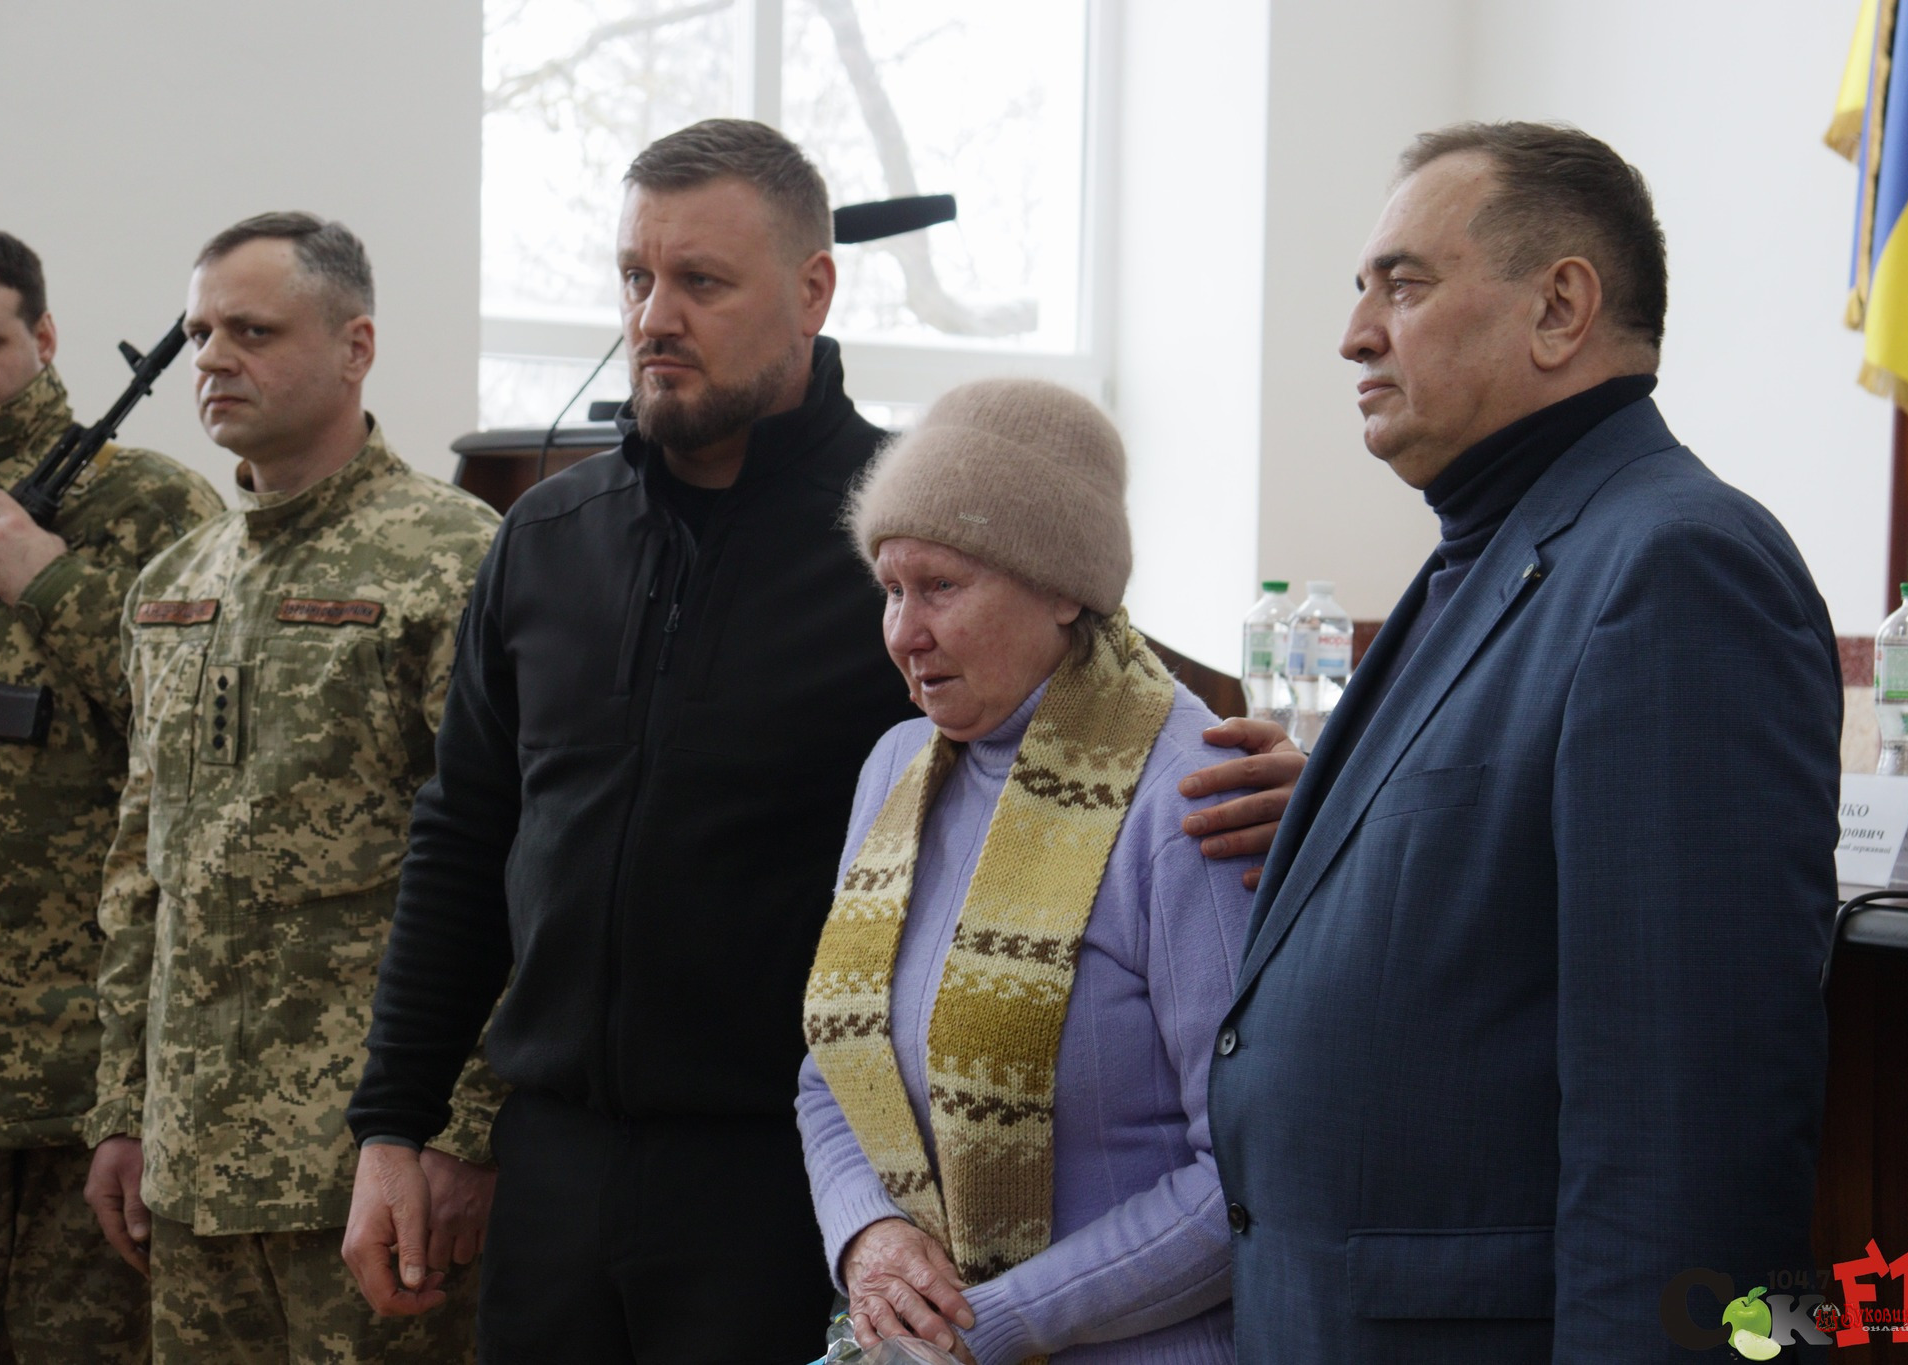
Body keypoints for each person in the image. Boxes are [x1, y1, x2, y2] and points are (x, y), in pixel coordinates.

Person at [343, 118, 1298, 1363]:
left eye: (701, 280)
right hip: (561, 1162)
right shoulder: (546, 536)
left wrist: (1316, 790)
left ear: (811, 291)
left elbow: (1107, 685)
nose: (653, 317)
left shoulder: (924, 521)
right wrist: (399, 1118)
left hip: (779, 1189)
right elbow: (465, 837)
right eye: (634, 277)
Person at [1208, 122, 1841, 1362]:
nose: (1354, 334)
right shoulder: (1492, 554)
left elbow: (1687, 1119)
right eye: (1360, 290)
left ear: (1557, 309)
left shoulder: (1674, 565)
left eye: (1402, 285)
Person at [81, 212, 504, 1364]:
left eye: (253, 331)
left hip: (367, 1168)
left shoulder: (455, 559)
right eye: (199, 334)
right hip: (192, 1164)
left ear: (355, 347)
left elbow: (510, 862)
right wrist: (122, 1110)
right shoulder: (176, 580)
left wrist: (463, 1131)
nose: (213, 359)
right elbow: (139, 869)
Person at [798, 377, 1250, 1365]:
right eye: (891, 589)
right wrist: (868, 1240)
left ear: (1062, 585)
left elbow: (1245, 1179)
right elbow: (832, 1066)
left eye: (940, 587)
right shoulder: (896, 770)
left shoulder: (1192, 791)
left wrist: (984, 1325)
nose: (903, 632)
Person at [0, 224, 223, 1365]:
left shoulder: (149, 507)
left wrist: (53, 587)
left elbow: (218, 726)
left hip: (89, 1070)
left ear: (45, 335)